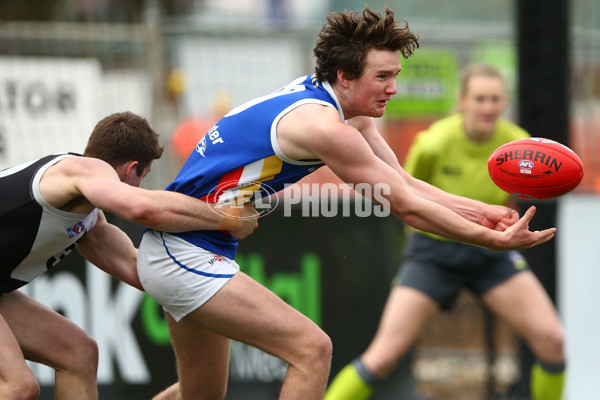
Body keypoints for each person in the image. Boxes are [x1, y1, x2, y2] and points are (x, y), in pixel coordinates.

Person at [137, 8, 556, 400]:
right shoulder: (324, 127)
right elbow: (404, 208)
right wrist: (489, 239)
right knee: (311, 349)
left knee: (201, 394)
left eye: (395, 75)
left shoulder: (333, 102)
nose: (393, 87)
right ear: (346, 76)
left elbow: (404, 183)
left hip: (184, 245)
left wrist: (481, 213)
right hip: (184, 248)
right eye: (383, 77)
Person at [324, 64, 566, 400]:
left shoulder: (519, 145)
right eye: (480, 98)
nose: (488, 107)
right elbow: (404, 193)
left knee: (552, 340)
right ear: (462, 101)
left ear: (504, 102)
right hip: (433, 253)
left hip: (490, 253)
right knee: (382, 357)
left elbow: (512, 200)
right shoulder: (433, 143)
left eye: (495, 99)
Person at [0, 111, 258, 400]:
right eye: (143, 178)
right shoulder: (83, 170)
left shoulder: (88, 220)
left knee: (78, 353)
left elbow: (143, 270)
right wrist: (226, 217)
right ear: (131, 169)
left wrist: (222, 294)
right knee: (17, 386)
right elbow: (143, 208)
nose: (140, 187)